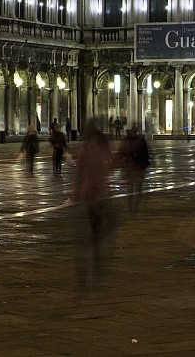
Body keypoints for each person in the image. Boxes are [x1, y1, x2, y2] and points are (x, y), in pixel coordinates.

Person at [72, 123, 118, 289]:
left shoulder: (85, 150)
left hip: (89, 195)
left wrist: (77, 193)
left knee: (93, 225)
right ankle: (98, 252)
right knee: (100, 226)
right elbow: (108, 169)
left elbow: (79, 174)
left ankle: (93, 250)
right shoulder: (101, 151)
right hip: (100, 194)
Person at [122, 126, 152, 212]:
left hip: (132, 167)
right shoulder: (140, 141)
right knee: (137, 188)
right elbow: (147, 154)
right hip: (138, 168)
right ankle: (134, 206)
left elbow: (122, 154)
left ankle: (132, 206)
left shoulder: (128, 141)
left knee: (132, 188)